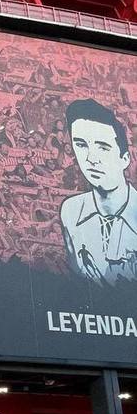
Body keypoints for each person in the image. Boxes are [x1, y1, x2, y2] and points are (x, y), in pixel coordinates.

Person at [60, 99, 137, 285]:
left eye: (103, 147)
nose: (91, 158)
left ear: (125, 158)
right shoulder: (71, 211)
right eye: (81, 145)